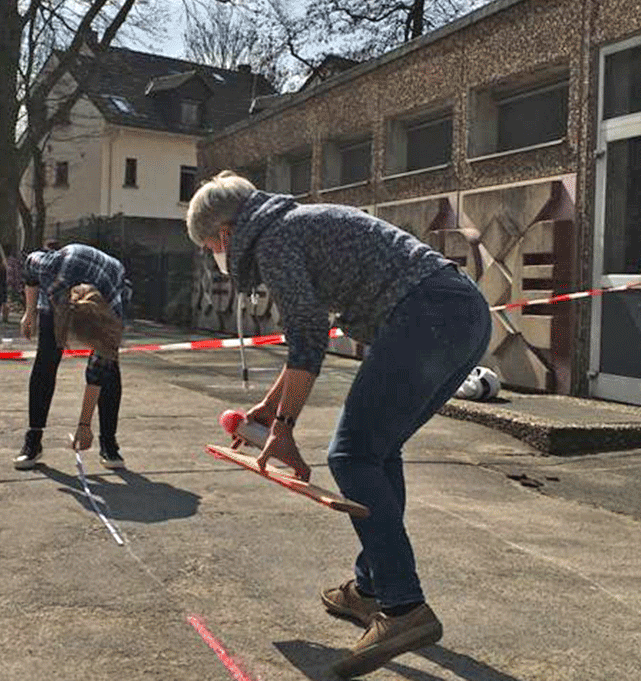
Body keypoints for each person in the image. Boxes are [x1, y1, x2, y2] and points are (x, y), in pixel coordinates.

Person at [186, 171, 491, 678]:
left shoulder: (272, 240)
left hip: (428, 316)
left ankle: (403, 607)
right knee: (377, 450)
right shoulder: (292, 224)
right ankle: (371, 588)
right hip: (459, 313)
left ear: (224, 232)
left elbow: (307, 338)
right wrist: (268, 409)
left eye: (208, 245)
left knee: (349, 454)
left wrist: (284, 428)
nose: (213, 255)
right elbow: (307, 338)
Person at [15, 242, 128, 470]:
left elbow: (96, 371)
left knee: (109, 368)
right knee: (45, 362)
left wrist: (84, 425)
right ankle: (33, 439)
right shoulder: (50, 268)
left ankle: (109, 442)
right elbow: (28, 269)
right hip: (55, 297)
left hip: (103, 289)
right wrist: (30, 313)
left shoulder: (113, 297)